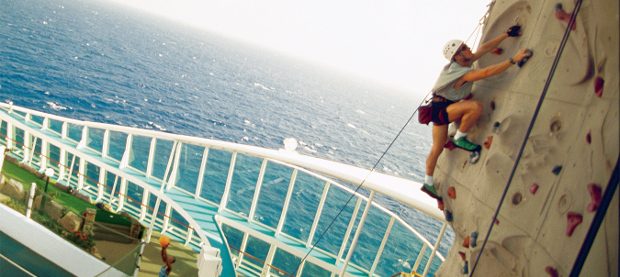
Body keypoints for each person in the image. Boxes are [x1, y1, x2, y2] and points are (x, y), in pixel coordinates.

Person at [421, 26, 533, 200]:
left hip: (439, 108)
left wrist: (506, 33)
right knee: (475, 108)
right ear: (457, 56)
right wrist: (514, 59)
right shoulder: (462, 72)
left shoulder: (463, 62)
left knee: (437, 148)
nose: (469, 49)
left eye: (466, 46)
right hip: (443, 109)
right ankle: (460, 137)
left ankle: (428, 182)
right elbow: (486, 72)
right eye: (464, 48)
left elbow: (485, 47)